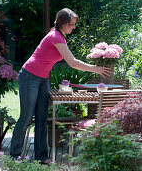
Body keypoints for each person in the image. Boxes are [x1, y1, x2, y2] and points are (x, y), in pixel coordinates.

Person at [9, 8, 111, 164]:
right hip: (29, 77)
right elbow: (72, 62)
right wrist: (95, 68)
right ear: (62, 23)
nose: (74, 27)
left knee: (42, 118)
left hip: (42, 79)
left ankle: (41, 157)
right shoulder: (56, 36)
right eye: (71, 24)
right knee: (26, 118)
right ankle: (14, 156)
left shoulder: (59, 35)